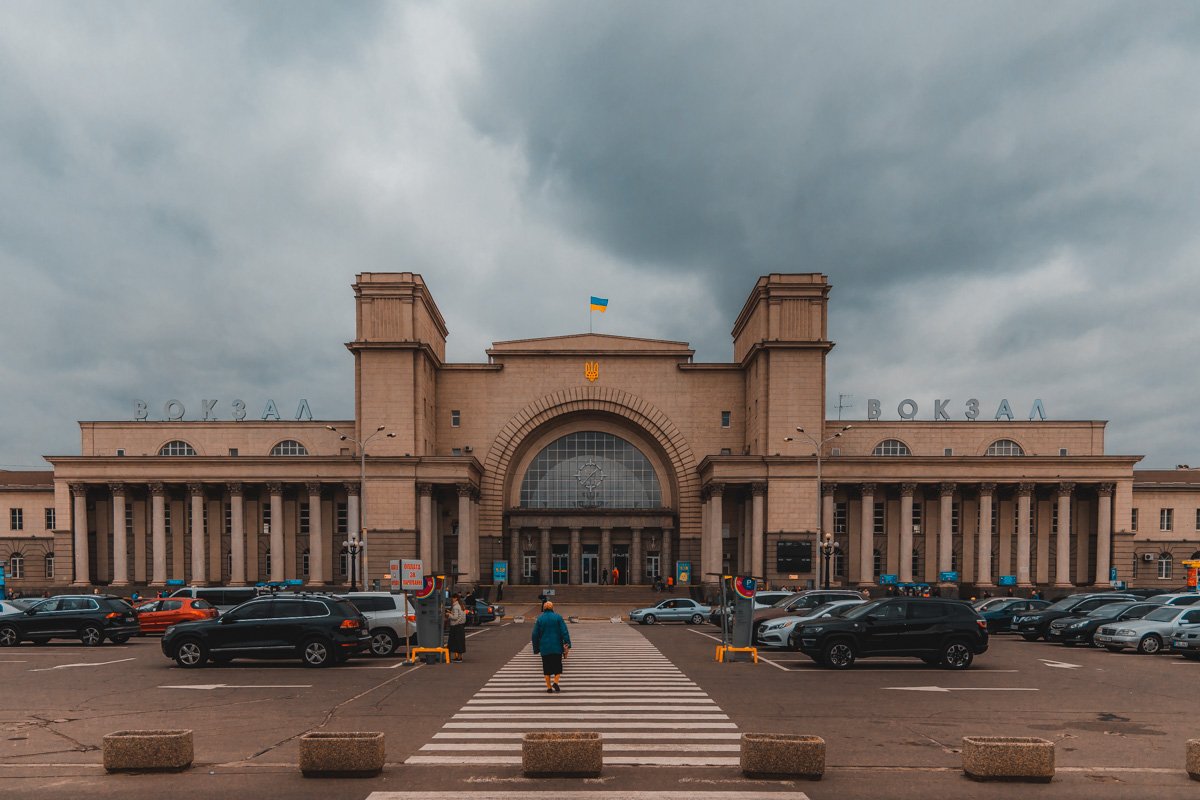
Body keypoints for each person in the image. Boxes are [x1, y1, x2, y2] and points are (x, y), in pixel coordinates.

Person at [532, 601, 571, 693]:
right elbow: (564, 631)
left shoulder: (540, 619)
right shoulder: (558, 617)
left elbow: (534, 635)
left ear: (544, 608)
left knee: (546, 668)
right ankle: (556, 682)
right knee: (558, 666)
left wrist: (536, 648)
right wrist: (567, 643)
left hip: (544, 648)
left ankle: (549, 687)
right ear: (552, 608)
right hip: (557, 647)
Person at [446, 592, 467, 662]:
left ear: (455, 598)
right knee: (460, 643)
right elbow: (461, 616)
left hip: (456, 627)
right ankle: (459, 657)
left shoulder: (455, 606)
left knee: (454, 643)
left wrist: (449, 614)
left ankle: (458, 659)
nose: (452, 599)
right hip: (461, 626)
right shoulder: (461, 606)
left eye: (452, 598)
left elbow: (455, 617)